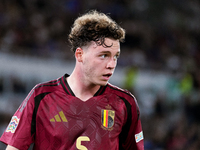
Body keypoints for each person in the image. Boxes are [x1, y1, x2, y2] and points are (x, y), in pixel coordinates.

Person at [0, 10, 144, 150]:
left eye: (115, 56)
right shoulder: (42, 96)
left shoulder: (124, 103)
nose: (111, 64)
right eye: (103, 55)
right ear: (80, 55)